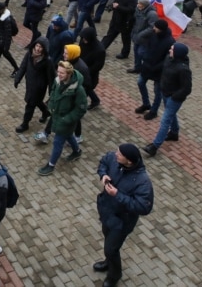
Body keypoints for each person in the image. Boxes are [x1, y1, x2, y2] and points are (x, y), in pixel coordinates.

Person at [94, 144, 155, 287]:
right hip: (108, 212)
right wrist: (103, 175)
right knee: (107, 240)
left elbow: (143, 207)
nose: (116, 154)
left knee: (111, 248)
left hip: (122, 222)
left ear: (129, 162)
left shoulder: (142, 181)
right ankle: (109, 261)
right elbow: (103, 162)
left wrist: (117, 195)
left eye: (120, 154)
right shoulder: (115, 160)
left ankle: (114, 275)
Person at [37, 59, 87, 175]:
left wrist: (67, 119)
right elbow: (54, 93)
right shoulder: (58, 81)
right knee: (69, 136)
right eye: (58, 72)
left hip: (66, 121)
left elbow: (81, 109)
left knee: (57, 143)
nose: (59, 74)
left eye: (62, 73)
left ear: (69, 74)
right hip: (57, 116)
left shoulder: (78, 90)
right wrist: (51, 105)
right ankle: (77, 151)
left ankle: (51, 165)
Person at [143, 43, 192, 157]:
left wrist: (175, 96)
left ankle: (154, 146)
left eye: (172, 49)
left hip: (174, 98)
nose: (170, 49)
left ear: (177, 53)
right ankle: (174, 133)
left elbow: (187, 88)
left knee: (165, 120)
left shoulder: (183, 69)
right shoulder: (169, 59)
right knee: (171, 115)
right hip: (165, 92)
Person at [134, 20, 173, 119]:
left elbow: (168, 59)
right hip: (147, 66)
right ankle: (146, 103)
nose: (153, 28)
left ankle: (154, 110)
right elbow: (147, 46)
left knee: (157, 92)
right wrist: (144, 56)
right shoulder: (153, 35)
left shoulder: (170, 41)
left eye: (156, 27)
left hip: (159, 71)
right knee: (140, 82)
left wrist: (157, 66)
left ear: (161, 29)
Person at [15, 36, 52, 134]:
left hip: (39, 87)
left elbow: (51, 77)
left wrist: (51, 91)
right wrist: (17, 78)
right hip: (30, 83)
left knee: (30, 104)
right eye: (37, 45)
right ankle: (46, 112)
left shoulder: (47, 61)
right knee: (37, 102)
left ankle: (25, 123)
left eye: (41, 47)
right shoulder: (29, 54)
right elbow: (23, 67)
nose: (38, 48)